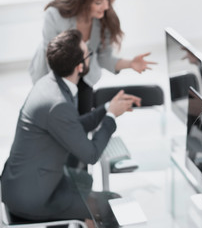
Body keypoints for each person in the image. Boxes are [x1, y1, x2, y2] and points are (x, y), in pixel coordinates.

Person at [1, 29, 141, 228]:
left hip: (25, 183)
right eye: (88, 54)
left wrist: (106, 108)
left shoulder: (51, 84)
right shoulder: (57, 103)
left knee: (86, 181)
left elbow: (71, 127)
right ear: (80, 66)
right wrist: (111, 116)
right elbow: (91, 155)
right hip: (33, 198)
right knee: (112, 203)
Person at [28, 0, 156, 114]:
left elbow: (103, 58)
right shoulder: (55, 15)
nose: (106, 6)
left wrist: (130, 64)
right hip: (52, 72)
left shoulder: (103, 21)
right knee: (59, 118)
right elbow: (50, 56)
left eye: (107, 0)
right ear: (82, 1)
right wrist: (61, 90)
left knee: (82, 119)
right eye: (98, 2)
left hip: (83, 74)